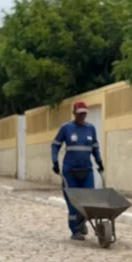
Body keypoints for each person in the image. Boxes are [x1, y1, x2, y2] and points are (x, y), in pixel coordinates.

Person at [51, 101, 104, 241]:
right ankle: (75, 230)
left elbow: (95, 147)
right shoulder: (66, 128)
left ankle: (81, 222)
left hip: (87, 170)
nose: (82, 116)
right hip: (70, 172)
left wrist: (99, 161)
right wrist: (55, 161)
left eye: (84, 113)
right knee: (73, 203)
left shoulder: (91, 129)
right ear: (74, 113)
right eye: (79, 113)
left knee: (89, 201)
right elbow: (55, 145)